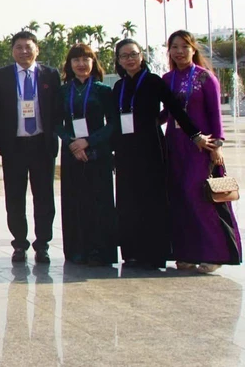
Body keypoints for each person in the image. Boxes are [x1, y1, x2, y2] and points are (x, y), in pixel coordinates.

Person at [110, 38, 203, 269]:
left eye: (133, 54)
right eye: (124, 56)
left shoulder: (153, 81)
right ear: (118, 61)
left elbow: (175, 109)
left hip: (150, 148)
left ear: (141, 56)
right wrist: (111, 151)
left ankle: (153, 253)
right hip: (126, 151)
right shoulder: (119, 87)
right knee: (128, 201)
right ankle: (132, 252)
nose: (129, 59)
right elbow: (113, 121)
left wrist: (195, 135)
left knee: (151, 200)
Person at [162, 30, 241, 273]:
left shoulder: (205, 77)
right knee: (179, 199)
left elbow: (215, 115)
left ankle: (215, 254)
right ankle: (187, 253)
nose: (179, 51)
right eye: (174, 47)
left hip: (201, 147)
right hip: (175, 145)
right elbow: (167, 113)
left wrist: (217, 147)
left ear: (193, 49)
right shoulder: (167, 79)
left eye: (184, 46)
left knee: (198, 196)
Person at [0, 31, 62, 264]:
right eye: (19, 47)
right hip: (14, 146)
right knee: (14, 198)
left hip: (42, 145)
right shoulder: (1, 76)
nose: (24, 51)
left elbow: (57, 110)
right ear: (12, 51)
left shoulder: (50, 75)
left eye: (28, 47)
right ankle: (19, 244)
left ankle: (42, 244)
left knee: (44, 198)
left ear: (37, 49)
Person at [55, 44, 116, 266]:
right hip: (72, 152)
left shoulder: (103, 91)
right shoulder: (62, 91)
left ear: (93, 62)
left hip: (97, 152)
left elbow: (113, 124)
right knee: (75, 201)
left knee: (98, 201)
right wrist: (72, 143)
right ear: (69, 64)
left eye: (85, 59)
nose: (81, 64)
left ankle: (99, 251)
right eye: (76, 60)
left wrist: (88, 142)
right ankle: (77, 250)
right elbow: (55, 123)